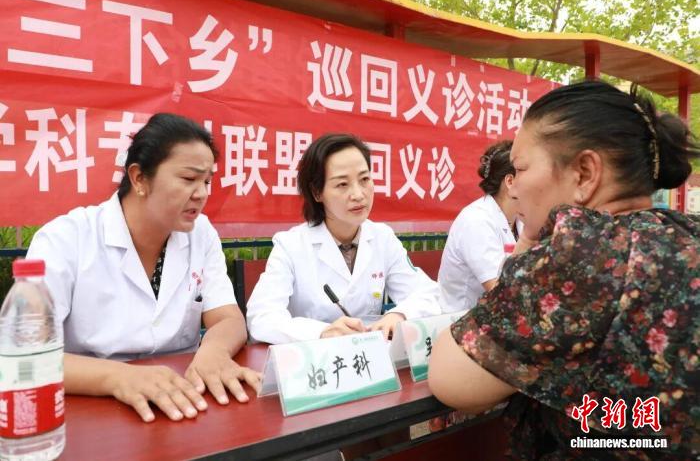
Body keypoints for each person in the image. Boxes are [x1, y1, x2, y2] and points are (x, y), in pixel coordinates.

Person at [428, 80, 699, 459]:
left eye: (520, 168)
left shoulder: (580, 255)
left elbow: (452, 379)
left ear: (585, 173)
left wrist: (528, 243)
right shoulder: (687, 233)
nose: (514, 189)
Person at [26, 113, 260, 423]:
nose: (202, 193)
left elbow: (229, 318)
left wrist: (214, 351)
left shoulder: (201, 233)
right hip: (89, 412)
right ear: (139, 178)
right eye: (188, 179)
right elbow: (26, 356)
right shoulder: (65, 239)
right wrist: (117, 377)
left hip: (185, 400)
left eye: (206, 181)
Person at [246, 133, 441, 344]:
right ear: (317, 192)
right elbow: (262, 317)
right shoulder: (291, 245)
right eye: (342, 184)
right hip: (314, 360)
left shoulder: (382, 237)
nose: (358, 194)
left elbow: (428, 294)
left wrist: (400, 314)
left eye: (364, 179)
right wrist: (322, 332)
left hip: (370, 357)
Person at [438, 140, 519, 312]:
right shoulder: (477, 220)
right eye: (528, 171)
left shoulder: (521, 219)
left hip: (495, 319)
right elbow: (501, 292)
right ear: (510, 181)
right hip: (460, 320)